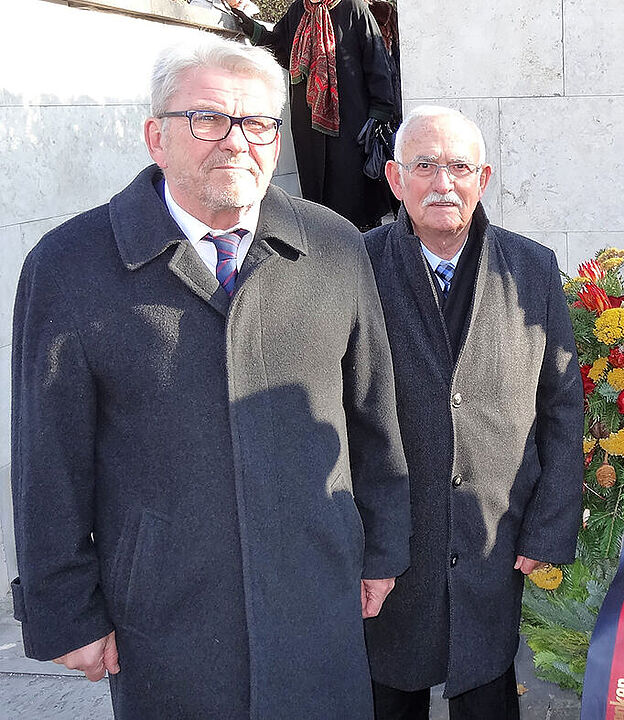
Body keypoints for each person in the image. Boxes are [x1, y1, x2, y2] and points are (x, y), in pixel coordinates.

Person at [9, 36, 411, 718]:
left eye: (257, 123)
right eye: (207, 119)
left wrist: (383, 546)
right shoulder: (69, 265)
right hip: (166, 612)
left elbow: (373, 410)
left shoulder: (335, 245)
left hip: (316, 592)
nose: (235, 141)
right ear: (155, 137)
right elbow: (47, 459)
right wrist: (64, 608)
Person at [362, 106, 584, 719]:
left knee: (487, 687)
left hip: (493, 537)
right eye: (424, 165)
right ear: (394, 176)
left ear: (483, 178)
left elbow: (561, 403)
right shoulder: (357, 266)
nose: (443, 183)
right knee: (389, 692)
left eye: (459, 166)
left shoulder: (531, 268)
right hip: (391, 545)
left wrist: (548, 525)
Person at [226, 0, 399, 230]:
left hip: (351, 119)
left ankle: (360, 241)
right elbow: (280, 46)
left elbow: (375, 59)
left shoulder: (353, 7)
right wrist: (250, 27)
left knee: (351, 189)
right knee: (315, 186)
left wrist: (380, 110)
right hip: (307, 121)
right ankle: (321, 239)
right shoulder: (299, 10)